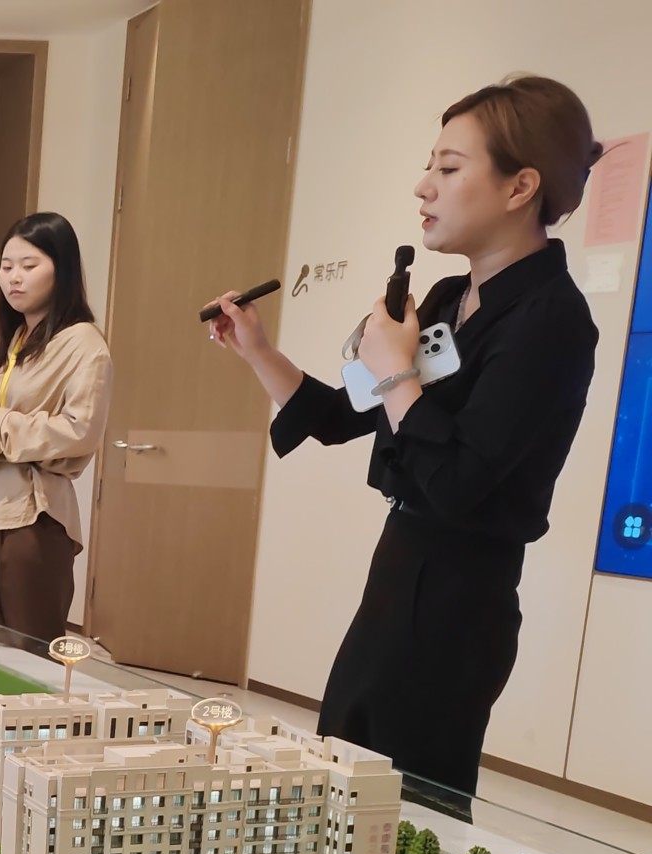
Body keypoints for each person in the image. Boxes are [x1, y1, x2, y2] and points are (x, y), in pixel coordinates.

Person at [209, 75, 600, 803]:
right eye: (430, 166)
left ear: (520, 187)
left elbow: (457, 483)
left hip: (462, 594)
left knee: (406, 810)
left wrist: (395, 372)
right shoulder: (451, 298)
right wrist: (258, 350)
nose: (424, 187)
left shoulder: (552, 320)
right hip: (400, 567)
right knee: (343, 772)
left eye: (448, 168)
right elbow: (343, 417)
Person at [0, 211, 110, 641]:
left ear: (61, 270)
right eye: (6, 266)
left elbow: (80, 431)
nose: (14, 277)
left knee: (28, 651)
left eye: (29, 266)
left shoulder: (84, 343)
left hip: (30, 517)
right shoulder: (7, 342)